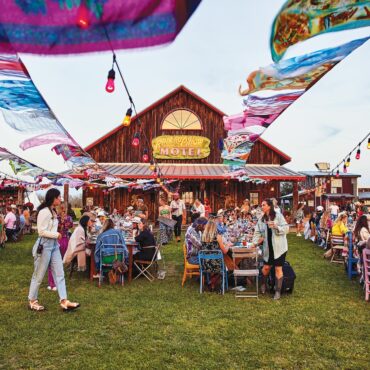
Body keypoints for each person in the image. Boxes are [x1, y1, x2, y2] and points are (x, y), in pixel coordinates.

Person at [28, 188, 79, 312]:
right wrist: (56, 235)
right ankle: (32, 300)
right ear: (53, 198)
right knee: (39, 275)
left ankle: (64, 300)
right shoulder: (44, 212)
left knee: (60, 273)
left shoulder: (53, 211)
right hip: (44, 245)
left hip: (54, 246)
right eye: (58, 197)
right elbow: (41, 231)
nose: (60, 199)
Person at [253, 199, 289, 300]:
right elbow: (257, 232)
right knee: (266, 268)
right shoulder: (262, 219)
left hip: (279, 248)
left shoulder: (278, 216)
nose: (262, 207)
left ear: (269, 206)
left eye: (263, 205)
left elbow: (286, 229)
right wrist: (255, 242)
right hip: (268, 248)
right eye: (261, 205)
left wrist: (277, 227)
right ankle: (263, 284)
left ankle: (277, 291)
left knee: (278, 269)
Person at [200, 219, 235, 291]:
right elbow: (225, 251)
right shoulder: (218, 237)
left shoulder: (203, 237)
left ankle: (211, 283)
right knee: (226, 265)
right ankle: (220, 286)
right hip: (217, 264)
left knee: (223, 263)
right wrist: (228, 245)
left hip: (204, 264)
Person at [47, 204, 73, 291]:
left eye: (64, 208)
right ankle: (51, 282)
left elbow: (70, 226)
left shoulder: (68, 218)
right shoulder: (55, 218)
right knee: (53, 262)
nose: (62, 210)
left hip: (64, 240)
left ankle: (56, 282)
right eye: (61, 208)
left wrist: (63, 220)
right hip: (56, 239)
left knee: (60, 262)